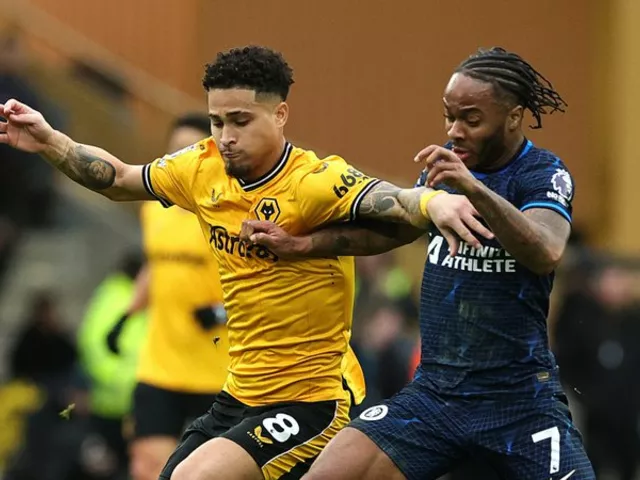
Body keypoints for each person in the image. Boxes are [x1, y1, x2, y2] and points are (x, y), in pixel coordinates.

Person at [0, 45, 491, 480]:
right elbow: (120, 179)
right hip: (240, 392)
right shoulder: (200, 168)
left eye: (240, 121)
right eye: (217, 122)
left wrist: (435, 202)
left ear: (280, 114)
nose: (226, 136)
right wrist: (50, 142)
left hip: (311, 398)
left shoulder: (312, 181)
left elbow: (394, 200)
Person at [241, 47, 596, 480]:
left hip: (518, 402)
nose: (455, 130)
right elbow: (394, 232)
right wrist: (303, 244)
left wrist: (474, 189)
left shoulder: (542, 173)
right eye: (449, 117)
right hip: (435, 395)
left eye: (471, 120)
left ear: (514, 117)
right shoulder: (447, 167)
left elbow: (545, 251)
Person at [106, 113, 232, 480]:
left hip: (217, 370)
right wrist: (126, 316)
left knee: (209, 473)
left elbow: (265, 285)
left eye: (191, 150)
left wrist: (221, 312)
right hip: (159, 365)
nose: (181, 159)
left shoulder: (230, 215)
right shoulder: (154, 211)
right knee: (146, 467)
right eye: (174, 150)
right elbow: (157, 264)